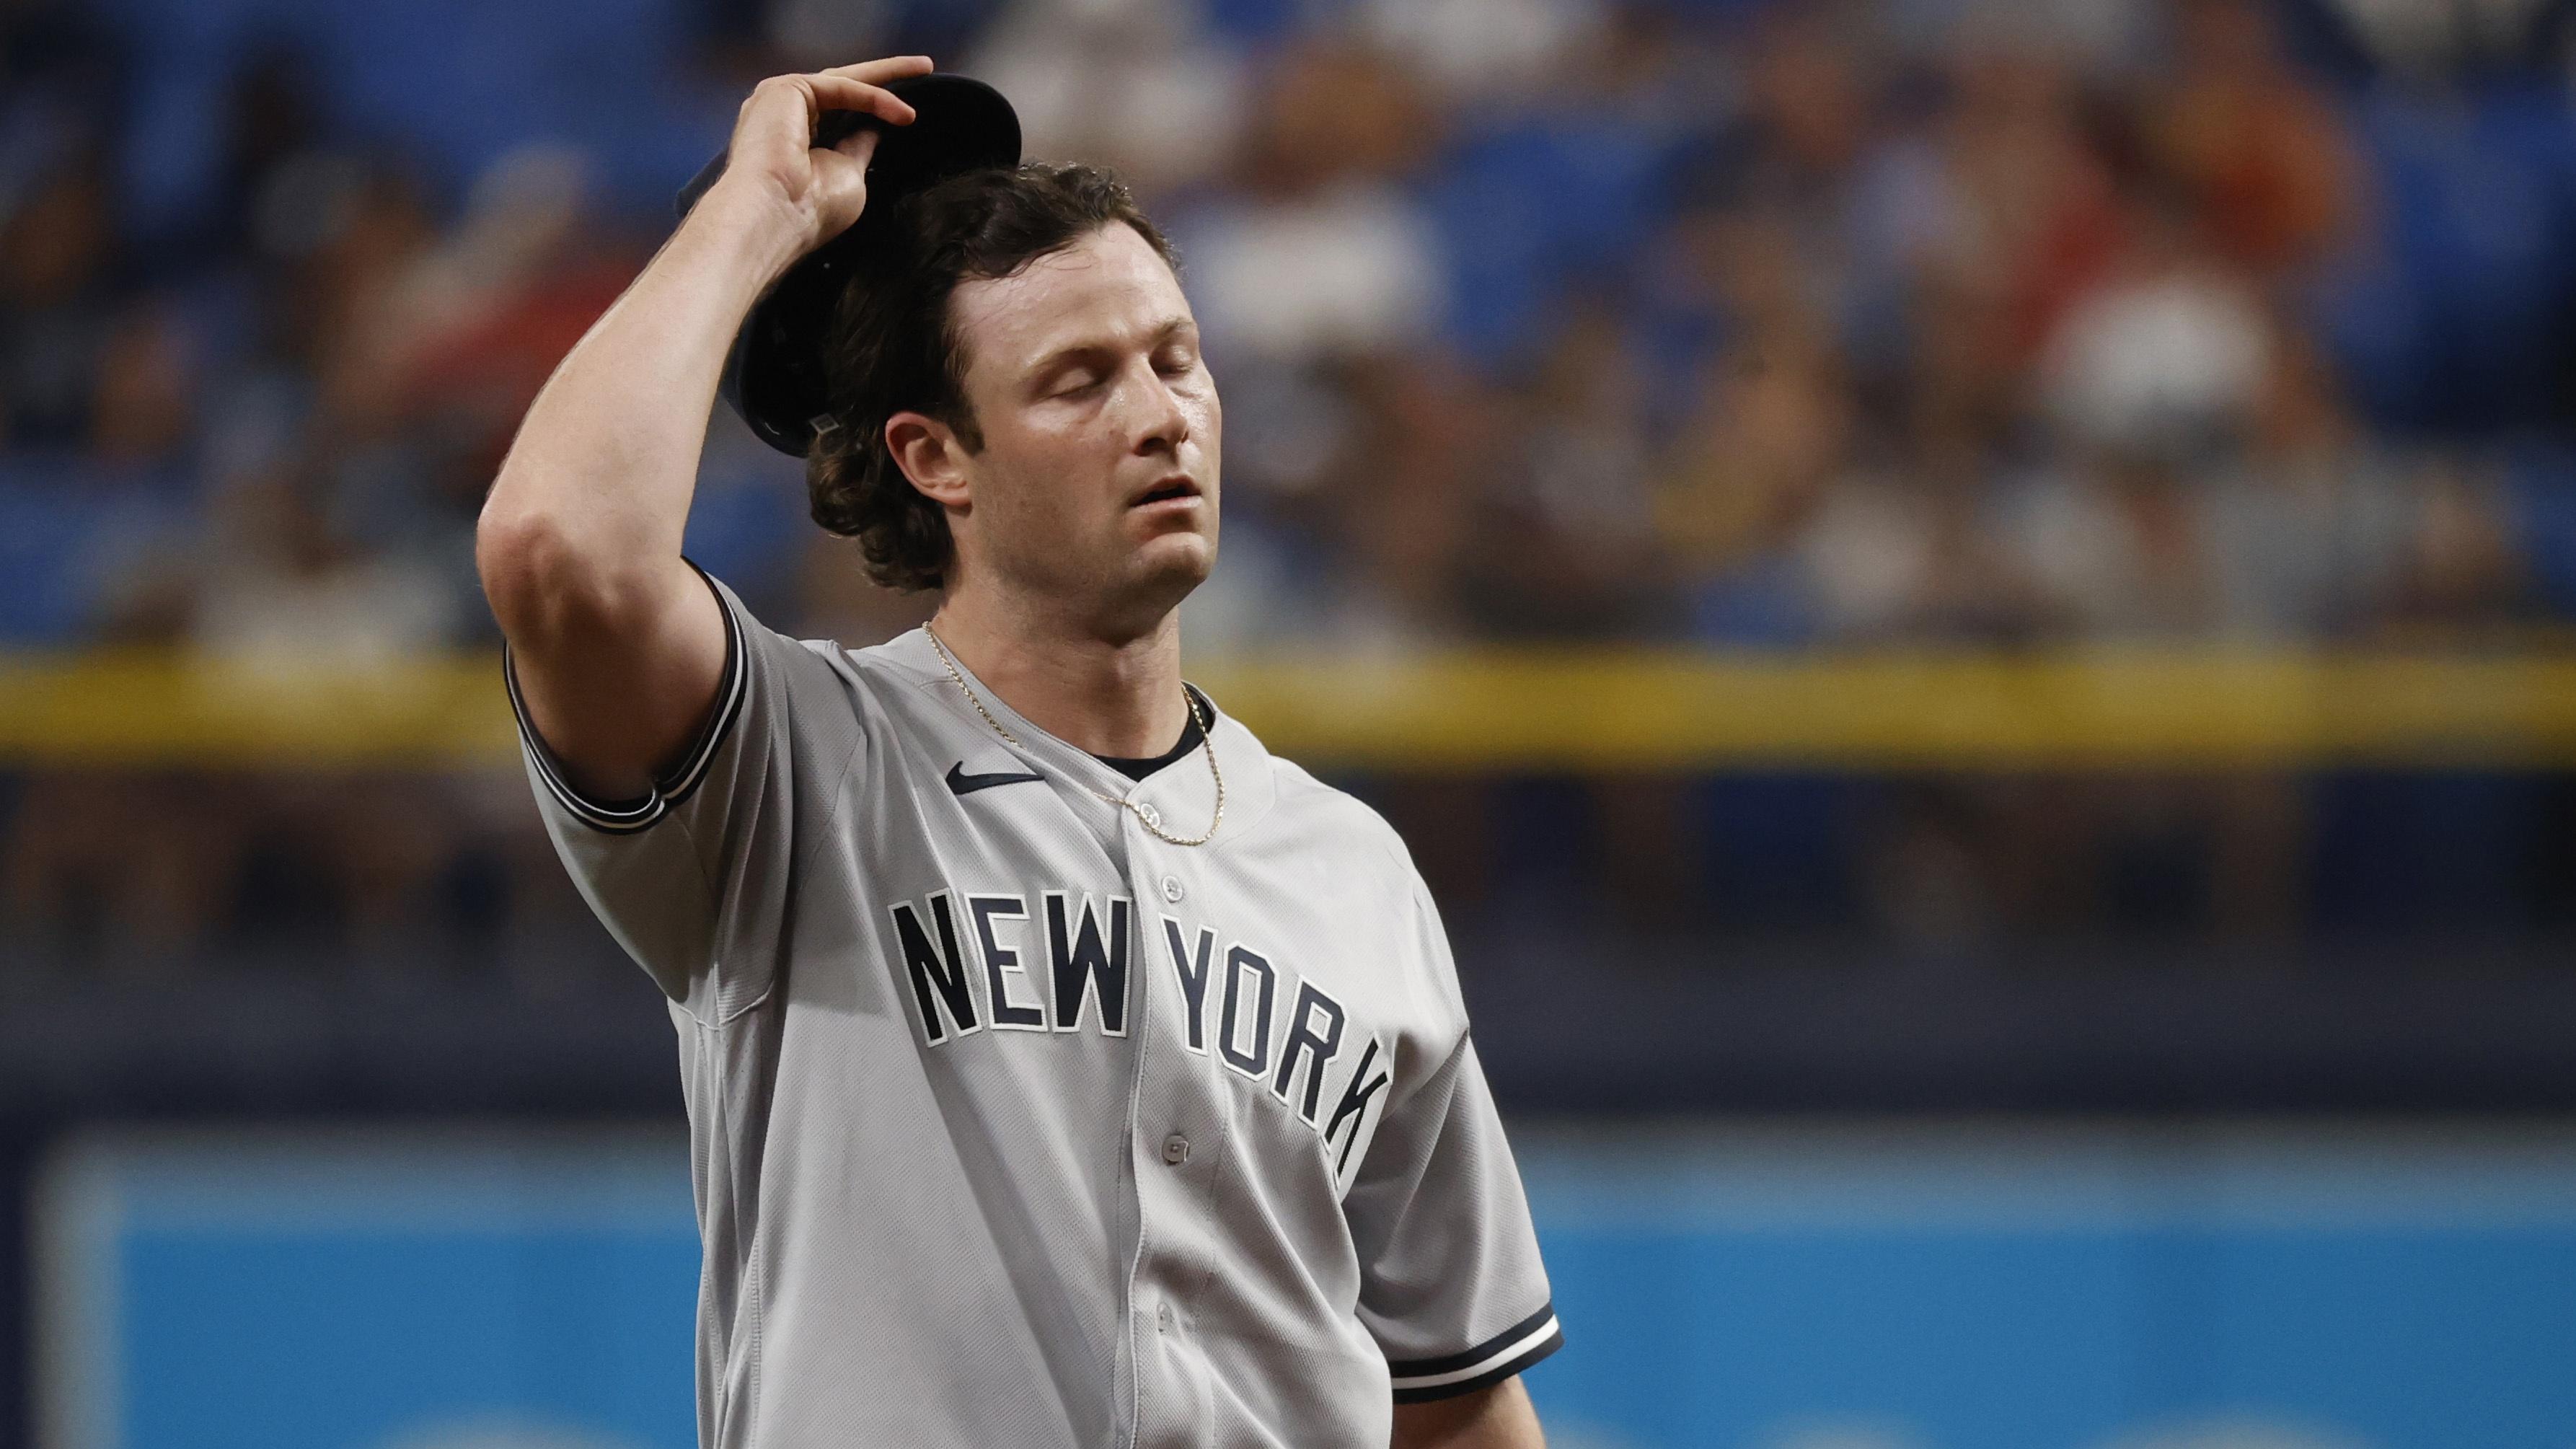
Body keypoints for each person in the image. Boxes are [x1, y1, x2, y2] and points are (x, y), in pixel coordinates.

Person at [476, 55, 1561, 1448]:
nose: (1162, 413)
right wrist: (757, 215)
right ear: (936, 459)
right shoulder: (797, 772)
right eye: (1079, 381)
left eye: (1177, 358)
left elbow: (1459, 1399)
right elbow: (558, 552)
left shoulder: (1348, 868)